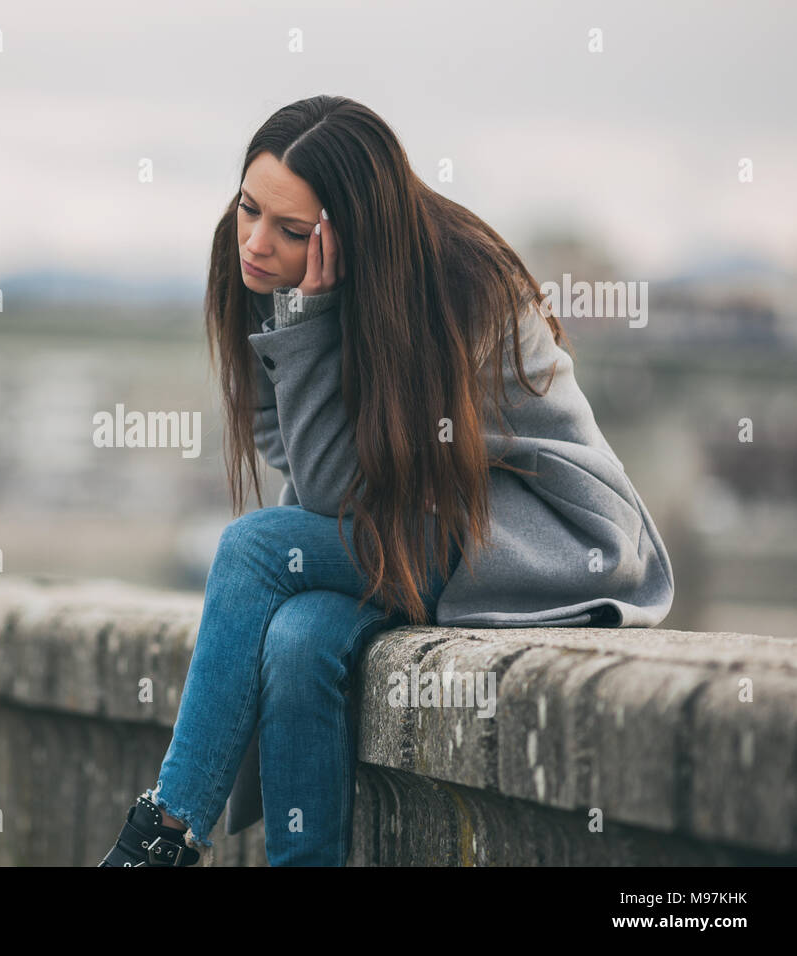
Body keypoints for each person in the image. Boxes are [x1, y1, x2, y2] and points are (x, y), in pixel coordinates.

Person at [98, 95, 673, 867]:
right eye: (248, 208)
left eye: (291, 231)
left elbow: (343, 498)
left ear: (347, 235)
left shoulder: (460, 284)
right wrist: (305, 318)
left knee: (252, 548)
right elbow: (293, 452)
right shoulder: (255, 264)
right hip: (409, 534)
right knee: (299, 644)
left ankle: (163, 836)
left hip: (528, 539)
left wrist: (311, 323)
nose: (257, 243)